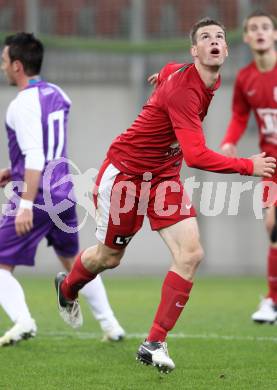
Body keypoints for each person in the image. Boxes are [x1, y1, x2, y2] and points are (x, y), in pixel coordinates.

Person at [54, 18, 275, 373]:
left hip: (164, 176)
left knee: (191, 254)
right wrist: (247, 166)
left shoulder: (199, 75)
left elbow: (172, 68)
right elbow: (198, 156)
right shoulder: (185, 91)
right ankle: (67, 287)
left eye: (220, 36)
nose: (215, 41)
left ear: (227, 48)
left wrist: (161, 74)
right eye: (206, 37)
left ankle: (153, 342)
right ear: (195, 50)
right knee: (109, 258)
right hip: (126, 174)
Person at [0, 32, 125, 346]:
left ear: (17, 65)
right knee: (74, 262)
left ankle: (24, 321)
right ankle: (112, 326)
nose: (2, 67)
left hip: (38, 195)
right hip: (63, 191)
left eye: (4, 61)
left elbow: (35, 155)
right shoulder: (59, 94)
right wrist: (11, 172)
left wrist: (26, 203)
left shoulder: (21, 104)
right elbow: (46, 146)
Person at [220, 11, 277, 324]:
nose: (259, 33)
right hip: (270, 164)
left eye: (265, 27)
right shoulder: (246, 78)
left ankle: (272, 300)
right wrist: (230, 141)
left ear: (274, 34)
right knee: (272, 226)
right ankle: (272, 301)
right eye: (253, 28)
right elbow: (240, 115)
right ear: (245, 37)